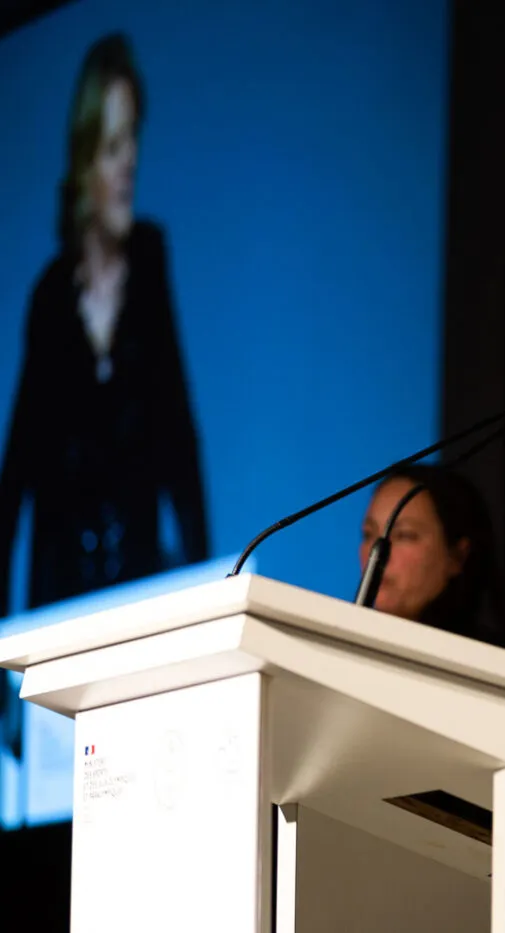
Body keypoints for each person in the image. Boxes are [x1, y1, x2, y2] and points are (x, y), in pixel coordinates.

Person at [0, 33, 208, 814]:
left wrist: (206, 590)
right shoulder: (49, 294)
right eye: (112, 144)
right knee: (65, 806)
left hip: (139, 588)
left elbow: (181, 436)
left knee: (144, 800)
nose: (127, 164)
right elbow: (15, 475)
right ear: (83, 158)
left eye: (134, 143)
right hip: (59, 599)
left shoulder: (151, 259)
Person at [359, 463, 505, 650]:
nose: (377, 553)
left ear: (456, 556)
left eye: (405, 535)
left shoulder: (497, 661)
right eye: (368, 534)